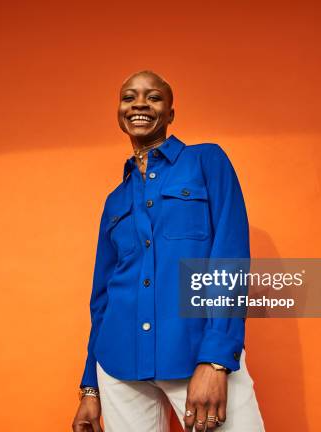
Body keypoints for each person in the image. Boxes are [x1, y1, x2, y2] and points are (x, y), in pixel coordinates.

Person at [72, 70, 264, 432]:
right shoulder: (115, 201)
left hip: (195, 353)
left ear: (171, 113)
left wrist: (216, 360)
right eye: (129, 97)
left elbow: (228, 260)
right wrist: (90, 387)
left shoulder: (207, 162)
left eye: (153, 97)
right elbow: (101, 300)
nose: (139, 104)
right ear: (119, 112)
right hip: (119, 366)